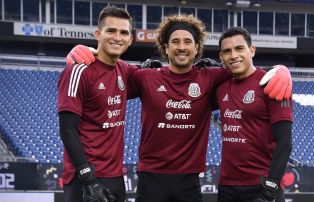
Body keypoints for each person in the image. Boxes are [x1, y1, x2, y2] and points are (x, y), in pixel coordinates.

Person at [66, 14, 292, 202]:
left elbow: (246, 70)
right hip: (150, 178)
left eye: (187, 42)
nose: (181, 47)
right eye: (175, 41)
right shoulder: (145, 77)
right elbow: (110, 69)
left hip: (189, 181)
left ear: (197, 47)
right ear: (165, 47)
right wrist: (87, 52)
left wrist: (281, 70)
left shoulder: (214, 78)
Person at [58, 6, 138, 202]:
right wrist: (87, 179)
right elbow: (67, 130)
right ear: (98, 34)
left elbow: (155, 78)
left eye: (123, 33)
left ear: (130, 40)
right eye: (111, 30)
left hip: (115, 177)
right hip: (84, 180)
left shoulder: (125, 70)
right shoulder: (78, 71)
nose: (117, 37)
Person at [215, 27, 293, 202]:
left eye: (239, 48)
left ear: (252, 50)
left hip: (261, 187)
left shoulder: (273, 83)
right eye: (227, 51)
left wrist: (270, 189)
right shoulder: (220, 88)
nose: (233, 55)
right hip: (227, 187)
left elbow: (285, 142)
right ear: (221, 57)